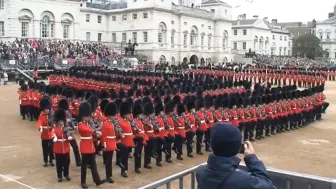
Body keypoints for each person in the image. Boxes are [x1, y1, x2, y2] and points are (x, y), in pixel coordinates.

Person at [196, 122, 275, 189]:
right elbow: (267, 185)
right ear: (237, 148)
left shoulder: (200, 171)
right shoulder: (244, 180)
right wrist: (251, 158)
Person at [52, 109, 71, 182]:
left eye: (62, 121)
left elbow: (70, 135)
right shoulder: (55, 129)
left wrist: (69, 137)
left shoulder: (66, 128)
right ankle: (59, 176)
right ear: (57, 121)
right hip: (58, 148)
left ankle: (66, 174)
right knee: (59, 163)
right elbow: (52, 134)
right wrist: (54, 137)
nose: (61, 122)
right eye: (59, 121)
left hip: (66, 148)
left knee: (67, 162)